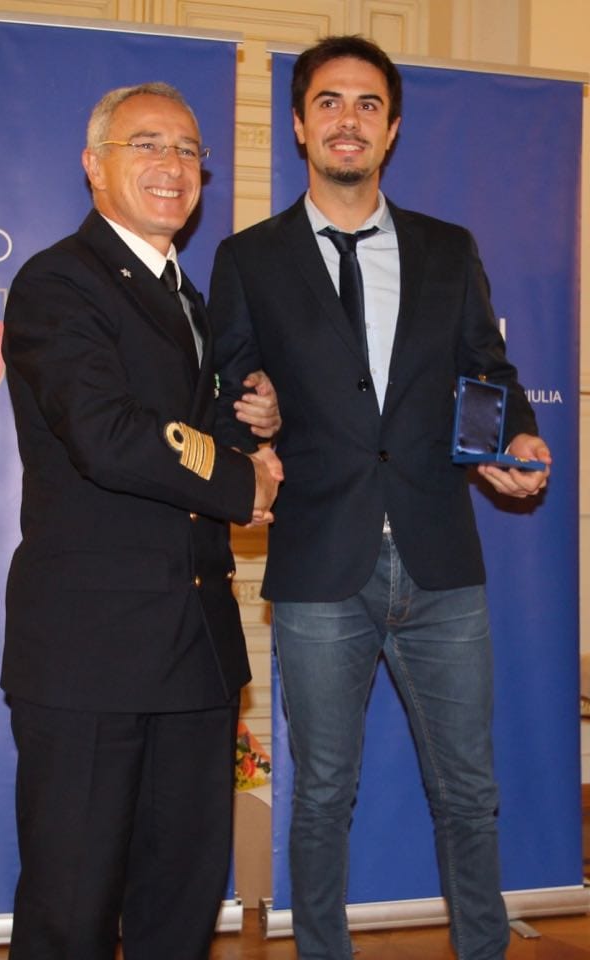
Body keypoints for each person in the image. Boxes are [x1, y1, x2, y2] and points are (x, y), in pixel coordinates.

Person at [209, 35, 551, 960]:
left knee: (469, 791)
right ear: (299, 123)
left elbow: (489, 370)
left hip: (442, 558)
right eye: (329, 101)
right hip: (320, 563)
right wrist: (254, 413)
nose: (348, 119)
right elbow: (229, 389)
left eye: (368, 104)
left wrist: (516, 436)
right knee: (322, 793)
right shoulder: (248, 258)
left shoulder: (448, 248)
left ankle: (483, 948)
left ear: (392, 129)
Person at [1, 81, 283, 960]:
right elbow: (110, 435)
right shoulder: (59, 282)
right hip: (92, 650)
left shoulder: (189, 298)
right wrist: (241, 481)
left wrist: (257, 431)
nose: (173, 165)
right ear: (94, 166)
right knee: (71, 910)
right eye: (148, 144)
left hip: (196, 649)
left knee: (181, 904)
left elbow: (194, 427)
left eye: (189, 150)